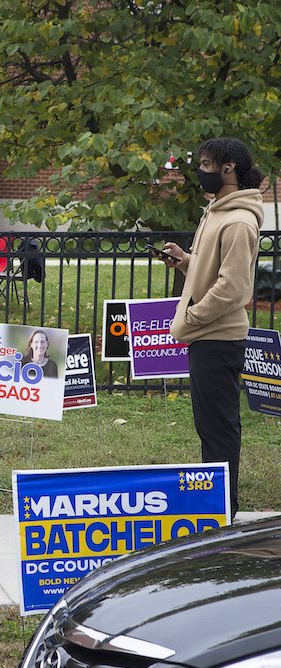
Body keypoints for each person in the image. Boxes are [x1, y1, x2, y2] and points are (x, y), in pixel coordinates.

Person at [161, 137, 264, 517]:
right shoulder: (216, 212)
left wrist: (190, 318)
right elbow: (214, 272)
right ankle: (215, 504)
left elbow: (234, 288)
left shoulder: (238, 221)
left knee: (219, 428)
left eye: (206, 164)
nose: (200, 172)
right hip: (207, 335)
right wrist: (187, 261)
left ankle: (224, 508)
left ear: (229, 168)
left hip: (219, 338)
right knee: (208, 425)